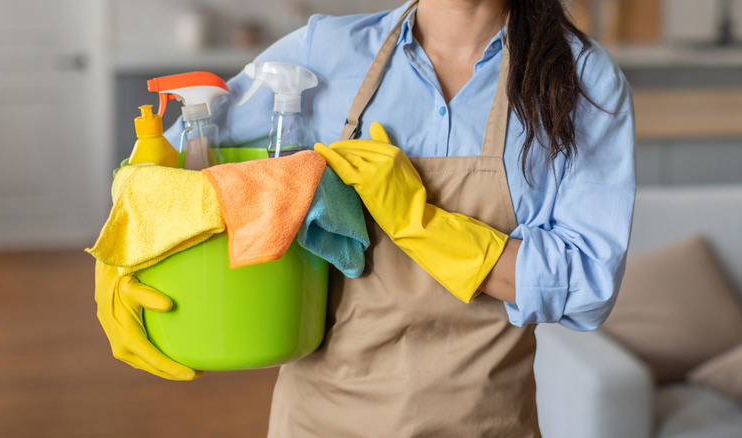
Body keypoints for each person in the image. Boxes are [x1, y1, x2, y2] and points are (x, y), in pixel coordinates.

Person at [94, 0, 635, 435]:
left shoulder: (581, 80)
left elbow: (586, 287)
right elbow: (169, 170)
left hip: (482, 420)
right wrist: (116, 262)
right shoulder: (323, 53)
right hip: (321, 416)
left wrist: (420, 222)